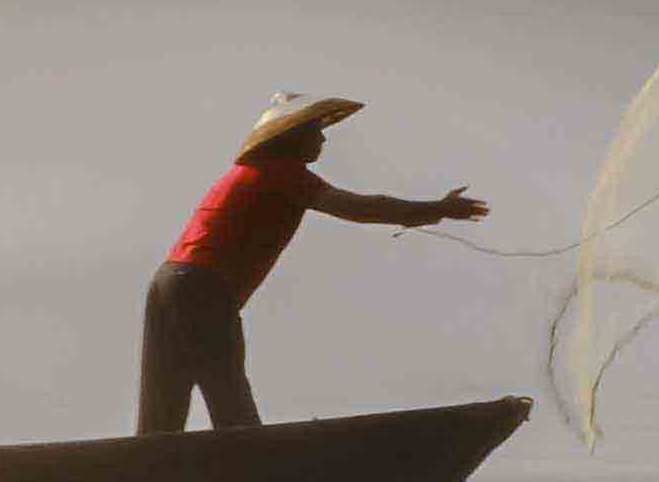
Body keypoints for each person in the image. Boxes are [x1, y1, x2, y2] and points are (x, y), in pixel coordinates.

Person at [139, 93, 488, 434]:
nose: (322, 138)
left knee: (163, 410)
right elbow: (360, 208)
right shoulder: (281, 172)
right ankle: (249, 468)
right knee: (229, 400)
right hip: (201, 287)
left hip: (168, 281)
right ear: (292, 137)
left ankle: (146, 472)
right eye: (315, 131)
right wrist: (437, 209)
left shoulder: (252, 172)